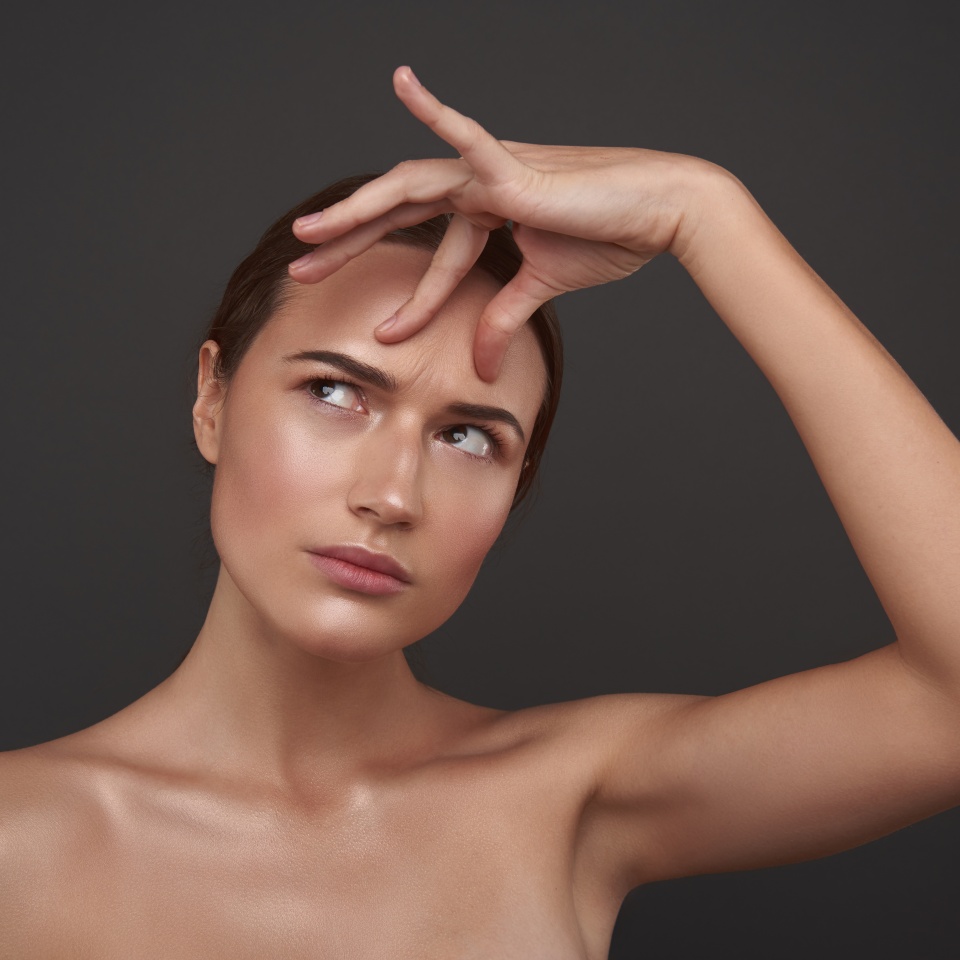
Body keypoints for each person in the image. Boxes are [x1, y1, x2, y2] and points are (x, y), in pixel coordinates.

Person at [1, 64, 958, 959]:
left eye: (469, 438)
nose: (391, 494)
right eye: (337, 393)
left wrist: (704, 211)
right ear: (212, 399)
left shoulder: (572, 801)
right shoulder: (17, 842)